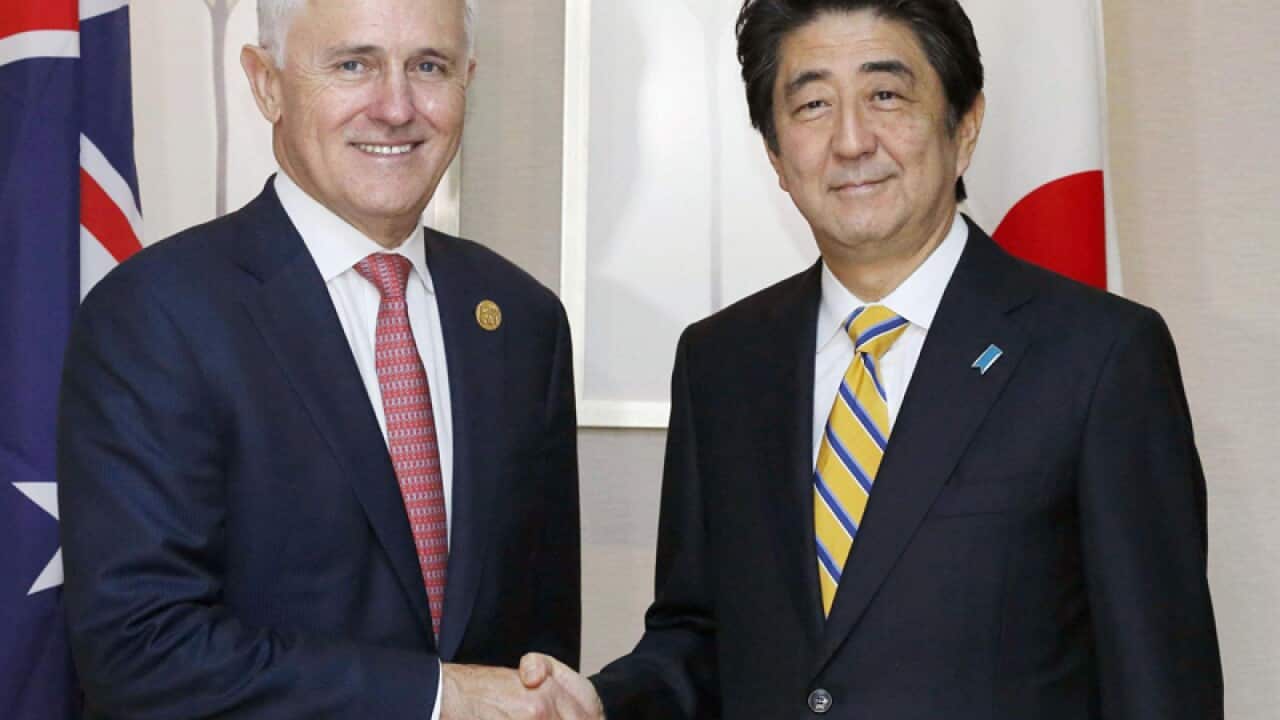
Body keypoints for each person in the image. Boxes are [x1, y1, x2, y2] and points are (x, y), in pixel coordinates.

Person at [520, 0, 1223, 718]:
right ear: (776, 158)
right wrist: (602, 702)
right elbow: (700, 637)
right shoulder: (721, 362)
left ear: (965, 126)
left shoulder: (1099, 356)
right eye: (814, 103)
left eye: (885, 95)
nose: (852, 140)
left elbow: (1159, 679)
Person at [57, 0, 580, 717]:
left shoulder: (522, 321)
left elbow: (537, 649)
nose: (396, 107)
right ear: (266, 82)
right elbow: (139, 648)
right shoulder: (156, 315)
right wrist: (434, 697)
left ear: (468, 81)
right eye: (353, 64)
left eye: (429, 66)